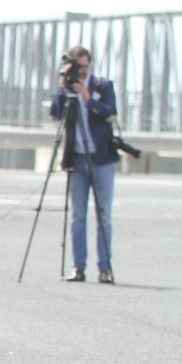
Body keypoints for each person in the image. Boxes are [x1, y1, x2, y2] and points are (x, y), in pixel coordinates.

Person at [49, 45, 118, 283]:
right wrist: (62, 88)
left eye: (86, 68)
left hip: (102, 160)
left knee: (104, 215)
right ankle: (78, 267)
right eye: (78, 68)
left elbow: (111, 114)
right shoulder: (66, 89)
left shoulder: (102, 86)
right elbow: (54, 114)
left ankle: (104, 268)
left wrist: (87, 98)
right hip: (77, 160)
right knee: (78, 215)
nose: (82, 73)